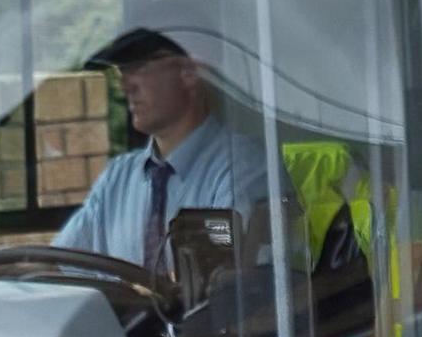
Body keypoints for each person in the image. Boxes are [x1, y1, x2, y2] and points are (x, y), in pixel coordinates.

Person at [53, 28, 269, 278]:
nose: (125, 86)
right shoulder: (118, 177)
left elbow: (227, 283)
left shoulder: (242, 167)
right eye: (122, 72)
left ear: (188, 72)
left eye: (138, 67)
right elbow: (61, 264)